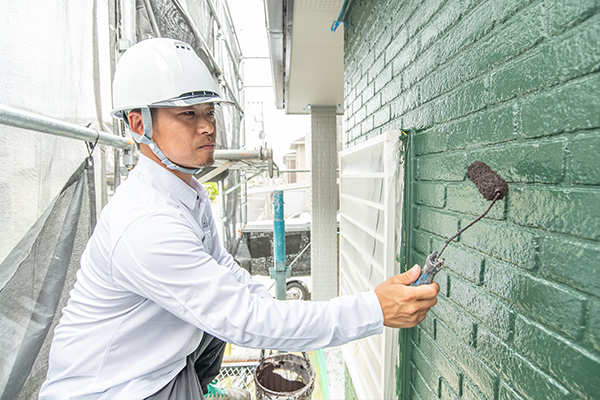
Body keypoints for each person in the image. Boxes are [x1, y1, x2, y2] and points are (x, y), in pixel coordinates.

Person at [39, 38, 439, 400]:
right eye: (187, 114)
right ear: (139, 124)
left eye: (209, 111)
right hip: (115, 389)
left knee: (219, 323)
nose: (207, 126)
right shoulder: (146, 224)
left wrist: (270, 301)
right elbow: (244, 320)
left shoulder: (185, 194)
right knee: (226, 322)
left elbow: (225, 273)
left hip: (159, 368)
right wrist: (373, 310)